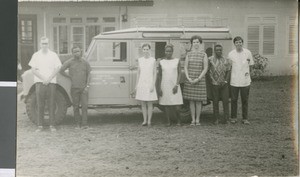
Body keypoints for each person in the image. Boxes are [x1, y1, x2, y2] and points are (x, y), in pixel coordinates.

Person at [28, 37, 62, 132]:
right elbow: (33, 70)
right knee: (40, 104)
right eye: (43, 43)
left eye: (46, 43)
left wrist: (49, 78)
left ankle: (52, 125)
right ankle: (40, 126)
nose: (44, 45)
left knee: (51, 103)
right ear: (40, 44)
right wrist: (43, 79)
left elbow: (58, 68)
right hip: (40, 83)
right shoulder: (36, 55)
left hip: (51, 82)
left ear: (48, 44)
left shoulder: (53, 55)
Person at [60, 46, 91, 129]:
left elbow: (89, 74)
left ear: (80, 51)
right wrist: (69, 76)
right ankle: (77, 124)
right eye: (74, 52)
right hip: (74, 88)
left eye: (78, 51)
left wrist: (87, 86)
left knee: (84, 106)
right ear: (72, 53)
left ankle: (84, 124)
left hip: (84, 88)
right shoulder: (69, 62)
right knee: (75, 107)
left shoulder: (85, 62)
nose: (77, 53)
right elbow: (61, 70)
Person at [227, 36, 254, 125]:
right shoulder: (231, 54)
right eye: (237, 42)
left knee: (245, 100)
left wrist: (248, 75)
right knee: (234, 100)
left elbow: (251, 65)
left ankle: (245, 118)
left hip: (245, 81)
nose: (239, 44)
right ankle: (233, 117)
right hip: (234, 80)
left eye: (240, 42)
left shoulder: (248, 53)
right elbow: (228, 67)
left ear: (242, 43)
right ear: (234, 44)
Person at [183, 35, 208, 126]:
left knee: (198, 101)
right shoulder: (188, 54)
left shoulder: (204, 54)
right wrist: (188, 78)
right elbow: (185, 67)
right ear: (192, 43)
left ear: (200, 43)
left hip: (199, 80)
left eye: (197, 42)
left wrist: (198, 78)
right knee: (191, 101)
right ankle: (193, 119)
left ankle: (198, 119)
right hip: (190, 79)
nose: (196, 44)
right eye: (194, 42)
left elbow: (205, 68)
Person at [157, 44, 183, 126]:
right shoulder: (161, 62)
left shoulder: (177, 60)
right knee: (166, 105)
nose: (168, 53)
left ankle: (179, 121)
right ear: (165, 51)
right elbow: (160, 75)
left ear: (172, 52)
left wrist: (177, 85)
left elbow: (179, 73)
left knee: (177, 107)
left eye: (170, 51)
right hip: (165, 85)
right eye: (167, 51)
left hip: (174, 85)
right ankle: (168, 121)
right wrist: (159, 88)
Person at [135, 43, 158, 126]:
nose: (145, 51)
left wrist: (153, 84)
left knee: (149, 103)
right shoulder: (140, 60)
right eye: (144, 49)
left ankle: (149, 121)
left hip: (150, 83)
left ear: (149, 50)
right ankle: (144, 120)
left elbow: (155, 73)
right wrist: (136, 85)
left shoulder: (153, 60)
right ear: (142, 50)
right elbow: (138, 73)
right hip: (142, 83)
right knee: (143, 103)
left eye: (147, 49)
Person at [208, 44, 231, 124]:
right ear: (214, 51)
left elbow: (228, 71)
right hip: (214, 84)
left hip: (224, 84)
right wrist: (211, 80)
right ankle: (216, 119)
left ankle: (226, 119)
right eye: (217, 50)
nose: (219, 51)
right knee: (215, 101)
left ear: (222, 50)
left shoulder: (226, 59)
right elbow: (207, 71)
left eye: (220, 50)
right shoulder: (210, 59)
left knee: (225, 101)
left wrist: (225, 81)